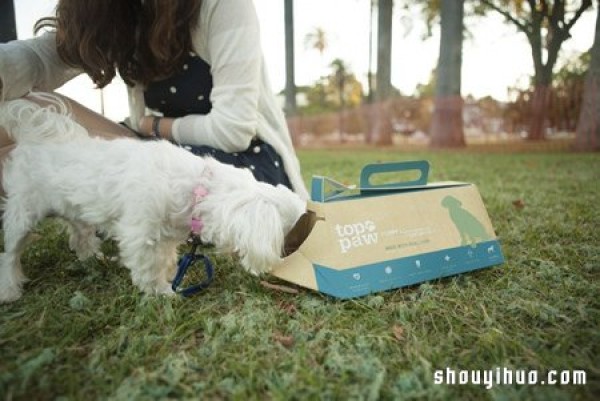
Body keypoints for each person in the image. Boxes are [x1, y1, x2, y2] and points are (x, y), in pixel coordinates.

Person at [0, 0, 308, 199]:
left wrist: (154, 126)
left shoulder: (222, 5)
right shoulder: (121, 13)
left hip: (239, 169)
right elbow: (42, 58)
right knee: (35, 109)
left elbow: (233, 131)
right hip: (155, 149)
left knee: (36, 143)